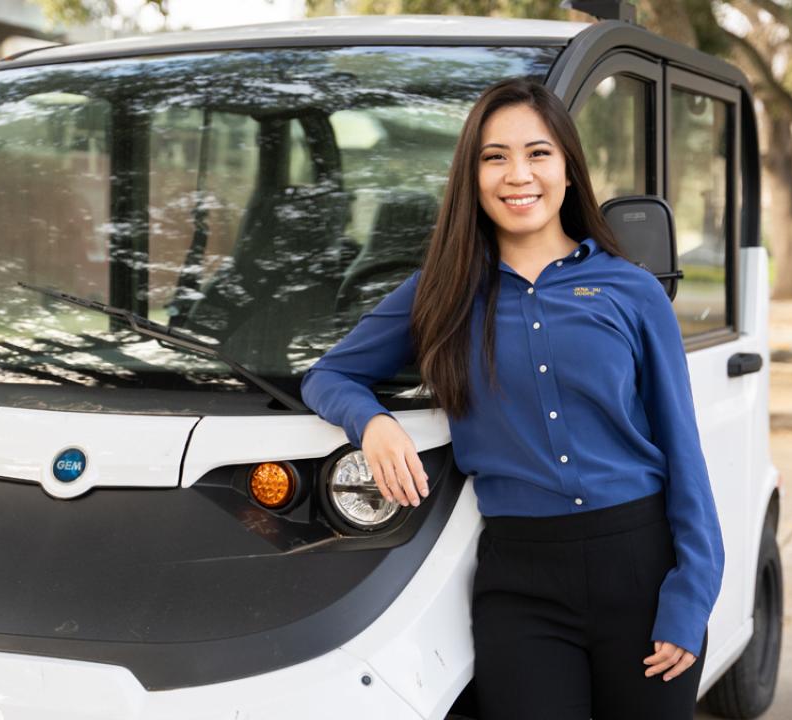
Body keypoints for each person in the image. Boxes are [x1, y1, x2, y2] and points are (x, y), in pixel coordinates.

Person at [299, 77, 724, 719]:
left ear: (568, 170)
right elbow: (328, 376)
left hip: (640, 568)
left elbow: (684, 454)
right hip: (521, 584)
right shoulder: (438, 293)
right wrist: (374, 425)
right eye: (495, 157)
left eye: (538, 153)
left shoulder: (629, 291)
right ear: (472, 176)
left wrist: (690, 596)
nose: (517, 175)